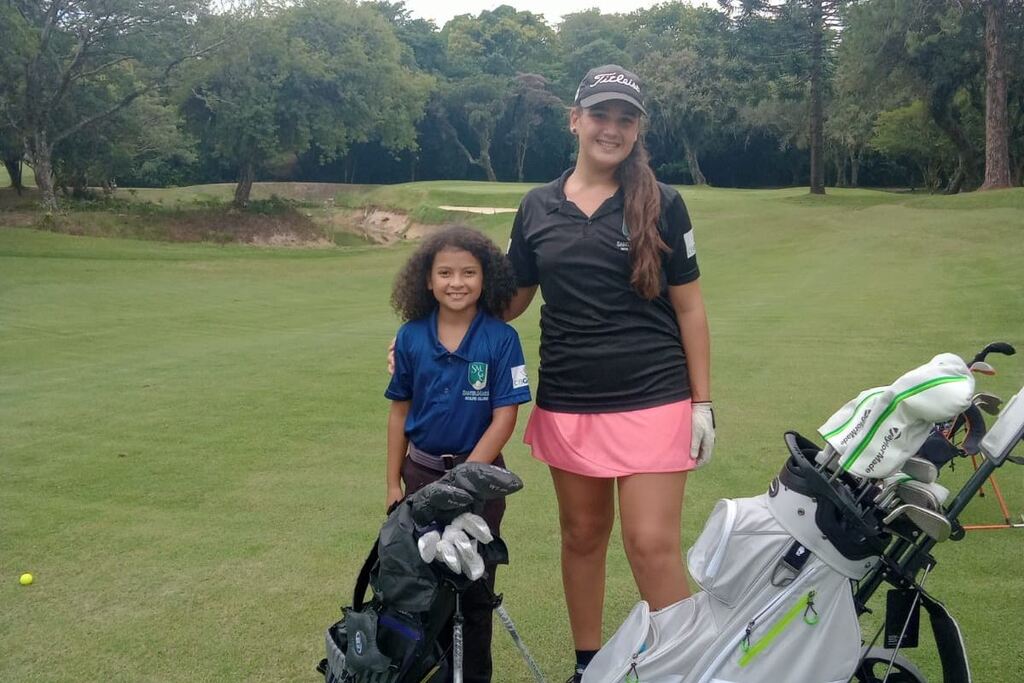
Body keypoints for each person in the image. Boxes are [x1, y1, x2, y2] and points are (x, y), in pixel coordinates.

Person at [503, 65, 715, 682]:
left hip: (654, 396)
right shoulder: (538, 206)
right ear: (575, 120)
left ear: (637, 129)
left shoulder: (664, 203)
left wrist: (703, 403)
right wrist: (425, 333)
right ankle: (589, 666)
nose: (611, 129)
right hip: (569, 401)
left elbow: (691, 307)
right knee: (582, 536)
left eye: (625, 119)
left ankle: (691, 668)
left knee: (650, 544)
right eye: (600, 115)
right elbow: (510, 300)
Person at [385, 225, 532, 683]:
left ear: (485, 279)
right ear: (426, 280)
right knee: (425, 589)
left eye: (469, 272)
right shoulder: (410, 337)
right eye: (444, 272)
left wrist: (465, 480)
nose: (457, 282)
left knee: (474, 590)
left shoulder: (501, 338)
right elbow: (398, 415)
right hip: (422, 477)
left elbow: (504, 419)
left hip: (481, 486)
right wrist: (393, 483)